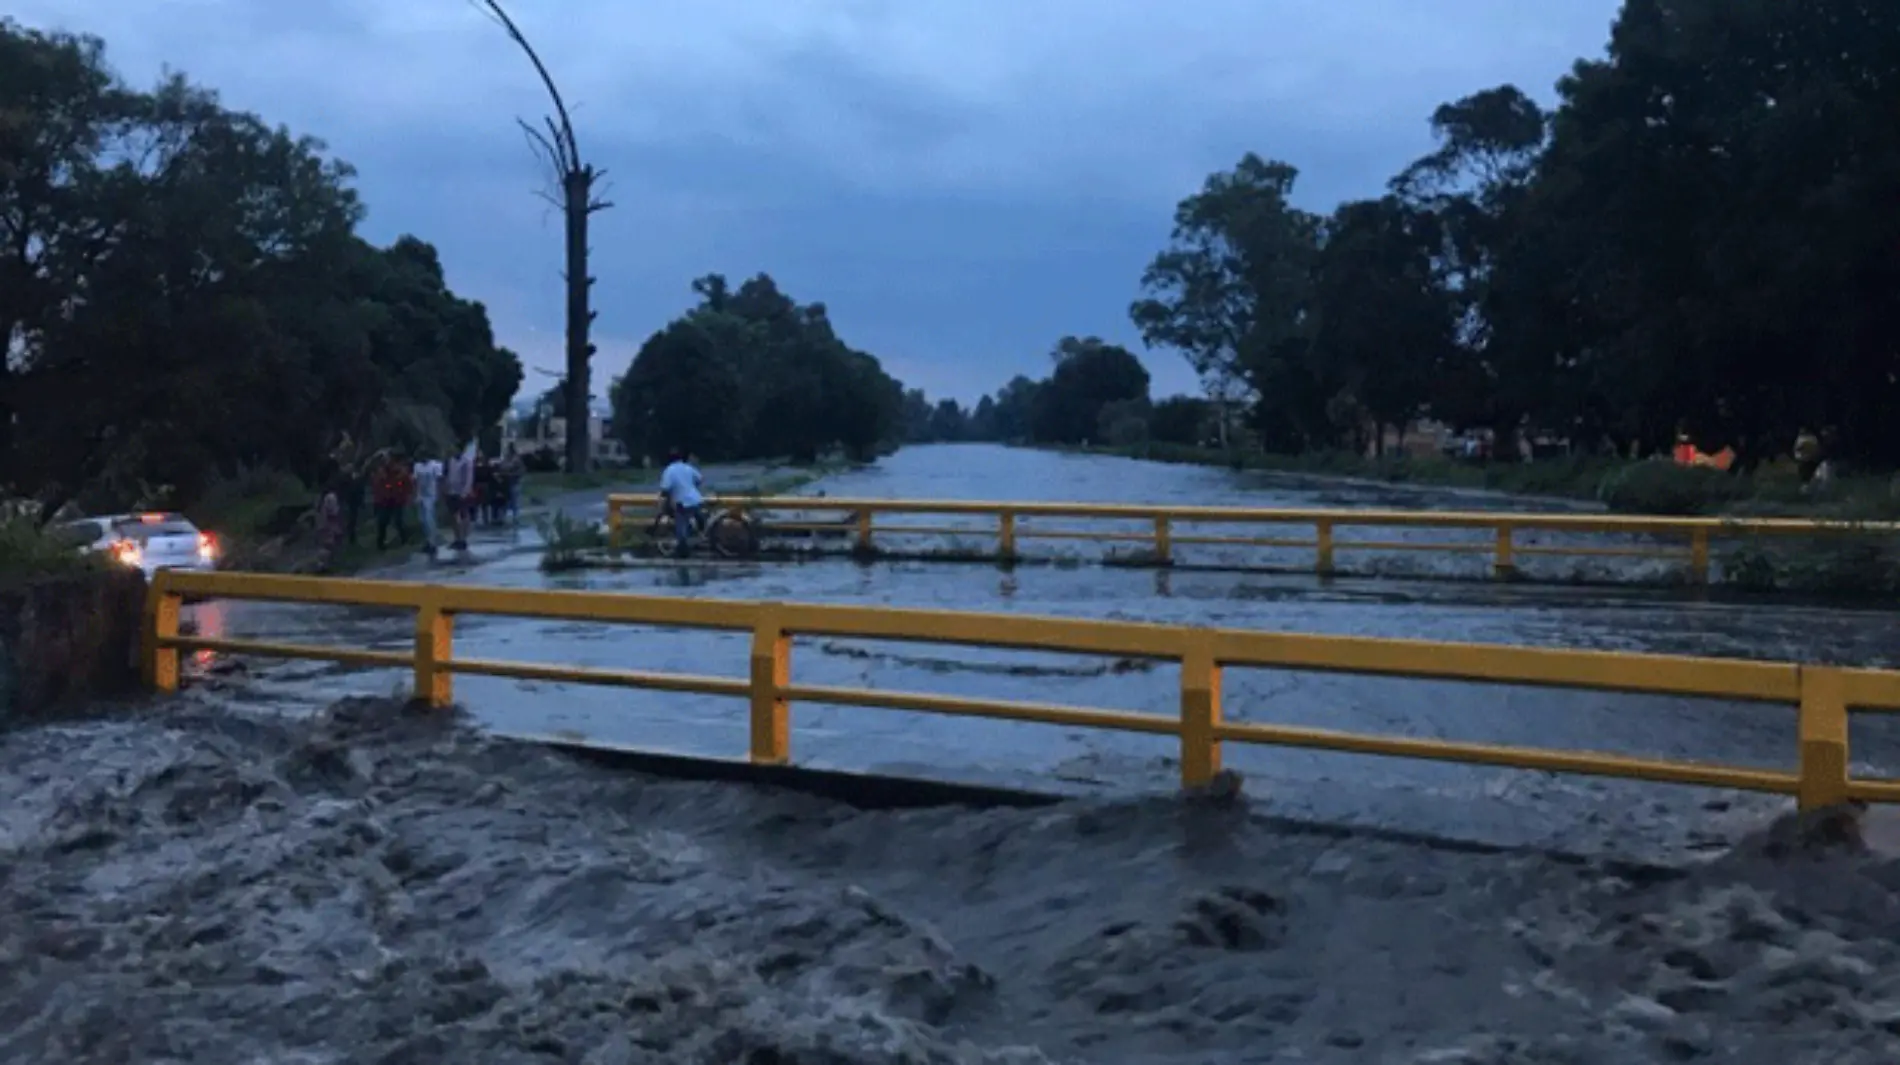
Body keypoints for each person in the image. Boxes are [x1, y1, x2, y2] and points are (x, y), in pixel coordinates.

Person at [657, 448, 706, 557]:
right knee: (698, 519)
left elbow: (665, 488)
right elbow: (700, 479)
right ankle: (702, 535)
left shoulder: (669, 470)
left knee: (681, 528)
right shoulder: (688, 468)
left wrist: (664, 498)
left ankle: (684, 552)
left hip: (682, 502)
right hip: (696, 499)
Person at [371, 452, 412, 551]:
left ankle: (404, 539)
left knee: (399, 521)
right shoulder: (380, 473)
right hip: (384, 501)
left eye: (386, 459)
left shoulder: (400, 472)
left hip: (398, 500)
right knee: (382, 522)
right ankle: (381, 543)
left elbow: (407, 485)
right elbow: (376, 487)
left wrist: (406, 497)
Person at [445, 442, 475, 552]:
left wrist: (465, 492)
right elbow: (449, 475)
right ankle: (457, 537)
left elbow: (469, 478)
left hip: (462, 492)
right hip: (452, 491)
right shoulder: (451, 461)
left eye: (455, 448)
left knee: (464, 515)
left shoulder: (467, 461)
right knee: (453, 516)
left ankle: (463, 538)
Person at [412, 450, 443, 555]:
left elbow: (439, 480)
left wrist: (439, 494)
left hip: (432, 495)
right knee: (422, 519)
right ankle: (428, 540)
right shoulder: (417, 467)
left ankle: (433, 542)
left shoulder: (435, 465)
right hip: (421, 495)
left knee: (429, 519)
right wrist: (416, 495)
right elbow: (415, 481)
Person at [499, 444, 525, 525]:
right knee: (507, 501)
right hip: (507, 483)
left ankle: (515, 518)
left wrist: (511, 473)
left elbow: (521, 471)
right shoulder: (507, 459)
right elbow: (502, 467)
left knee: (514, 502)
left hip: (514, 483)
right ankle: (505, 517)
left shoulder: (516, 460)